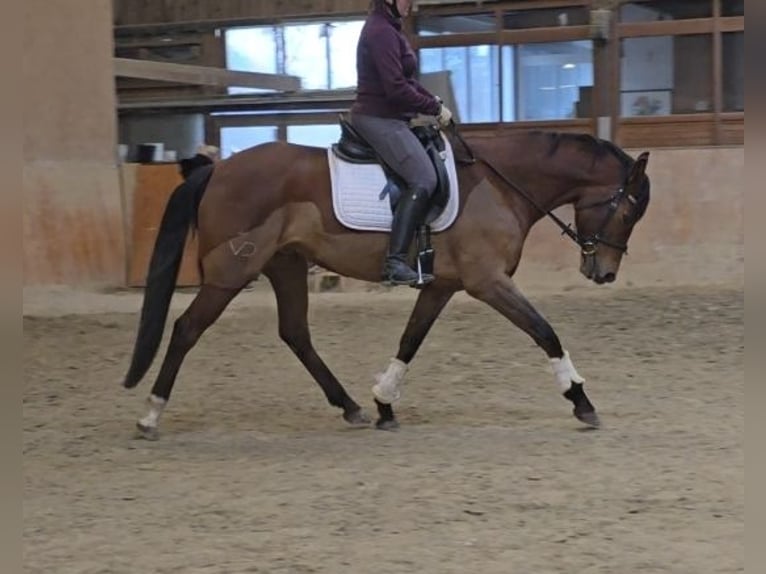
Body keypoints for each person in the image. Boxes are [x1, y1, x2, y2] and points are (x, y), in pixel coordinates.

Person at [350, 0, 453, 286]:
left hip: (392, 117)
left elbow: (407, 80)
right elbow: (395, 89)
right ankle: (395, 261)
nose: (412, 3)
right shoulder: (381, 31)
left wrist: (434, 102)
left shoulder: (391, 29)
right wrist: (432, 109)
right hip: (378, 118)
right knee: (423, 177)